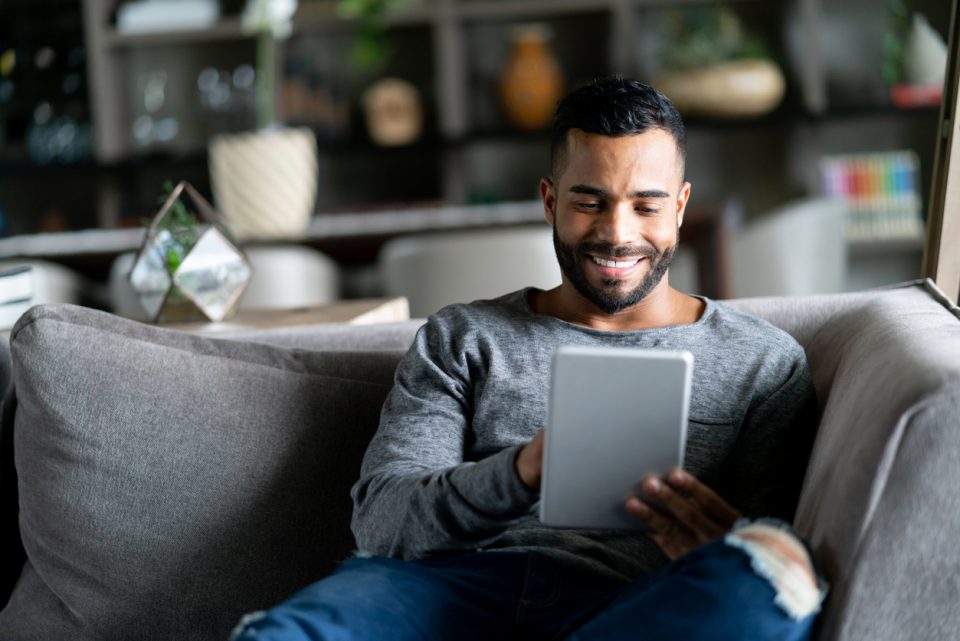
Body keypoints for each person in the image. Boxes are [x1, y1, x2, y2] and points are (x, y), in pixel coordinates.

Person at [231, 76, 826, 641]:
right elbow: (383, 524)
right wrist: (522, 472)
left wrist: (728, 542)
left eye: (646, 206)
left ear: (680, 205)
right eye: (589, 202)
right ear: (549, 201)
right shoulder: (462, 337)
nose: (617, 233)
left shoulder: (762, 363)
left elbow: (768, 547)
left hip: (629, 604)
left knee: (772, 581)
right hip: (446, 591)